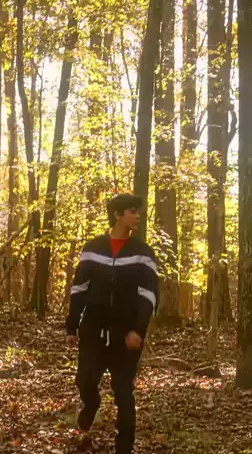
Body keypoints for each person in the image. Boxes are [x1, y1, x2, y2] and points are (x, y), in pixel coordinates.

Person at [66, 193, 158, 454]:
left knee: (123, 391)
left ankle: (124, 447)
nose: (138, 216)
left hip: (125, 332)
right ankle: (91, 405)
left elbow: (149, 295)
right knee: (85, 380)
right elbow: (79, 289)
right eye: (132, 211)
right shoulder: (92, 248)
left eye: (138, 211)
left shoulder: (143, 253)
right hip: (93, 328)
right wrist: (71, 326)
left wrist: (137, 330)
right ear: (118, 215)